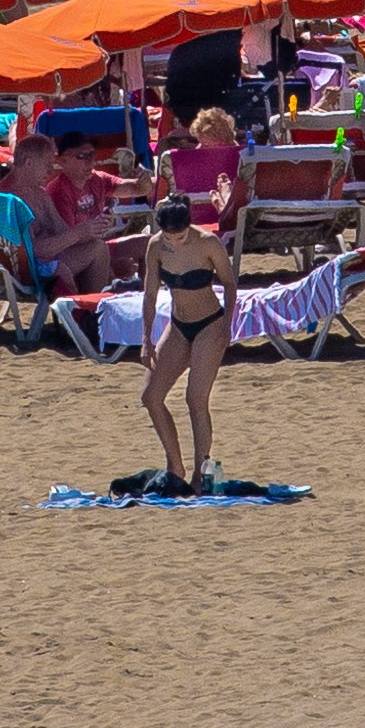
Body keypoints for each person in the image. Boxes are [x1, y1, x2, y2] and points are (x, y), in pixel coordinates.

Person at [136, 164, 242, 493]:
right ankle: (175, 463)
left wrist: (227, 326)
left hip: (210, 323)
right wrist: (146, 339)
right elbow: (151, 294)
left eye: (179, 236)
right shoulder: (156, 246)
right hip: (179, 323)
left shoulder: (207, 243)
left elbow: (230, 284)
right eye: (170, 237)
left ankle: (202, 469)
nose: (175, 243)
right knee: (151, 397)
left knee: (195, 399)